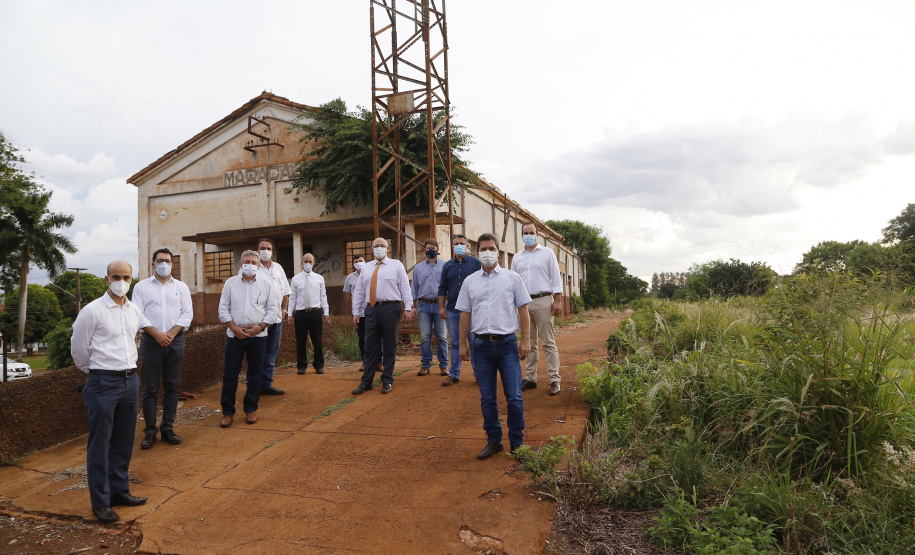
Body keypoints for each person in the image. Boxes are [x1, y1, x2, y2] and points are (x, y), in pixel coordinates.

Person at [71, 260, 147, 523]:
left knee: (124, 441)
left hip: (130, 380)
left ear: (132, 279)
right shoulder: (92, 311)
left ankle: (119, 491)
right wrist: (98, 375)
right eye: (116, 276)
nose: (122, 281)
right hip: (103, 382)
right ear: (106, 279)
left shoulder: (135, 310)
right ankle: (101, 502)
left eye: (127, 277)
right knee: (100, 444)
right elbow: (79, 352)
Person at [456, 234, 531, 459]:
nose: (487, 252)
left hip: (507, 345)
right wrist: (461, 344)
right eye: (483, 249)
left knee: (515, 397)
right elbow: (464, 314)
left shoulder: (513, 278)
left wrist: (526, 340)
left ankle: (517, 442)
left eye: (491, 248)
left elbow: (523, 311)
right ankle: (494, 441)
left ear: (498, 251)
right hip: (480, 346)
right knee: (487, 398)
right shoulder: (470, 281)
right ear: (477, 252)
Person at [131, 248, 193, 450]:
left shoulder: (181, 287)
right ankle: (150, 431)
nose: (164, 264)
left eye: (167, 261)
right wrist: (156, 334)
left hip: (176, 341)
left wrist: (171, 334)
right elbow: (137, 314)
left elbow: (187, 314)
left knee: (172, 386)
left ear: (173, 264)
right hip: (150, 341)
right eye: (160, 261)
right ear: (153, 264)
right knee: (149, 388)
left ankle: (168, 428)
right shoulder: (141, 287)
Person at [217, 250, 279, 427]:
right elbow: (223, 309)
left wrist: (260, 327)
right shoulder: (230, 284)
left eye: (253, 262)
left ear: (258, 266)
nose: (250, 265)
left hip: (258, 336)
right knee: (230, 374)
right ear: (240, 264)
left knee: (255, 374)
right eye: (247, 261)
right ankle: (228, 412)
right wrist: (233, 328)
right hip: (234, 335)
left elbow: (272, 309)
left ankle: (250, 409)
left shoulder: (267, 285)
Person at [350, 238, 413, 395]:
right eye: (376, 246)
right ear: (372, 250)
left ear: (387, 248)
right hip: (371, 309)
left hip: (391, 308)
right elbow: (359, 291)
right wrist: (356, 312)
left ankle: (387, 380)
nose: (379, 248)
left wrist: (408, 308)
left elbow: (405, 287)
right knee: (370, 346)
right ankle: (366, 382)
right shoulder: (366, 268)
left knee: (389, 345)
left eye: (382, 246)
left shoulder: (396, 265)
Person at [511, 222, 564, 396]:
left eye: (531, 232)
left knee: (548, 342)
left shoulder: (547, 253)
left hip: (543, 301)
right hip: (524, 304)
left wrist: (557, 300)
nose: (528, 235)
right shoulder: (517, 258)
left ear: (537, 235)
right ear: (521, 235)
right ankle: (530, 378)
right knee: (529, 342)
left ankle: (554, 379)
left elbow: (556, 277)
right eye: (525, 232)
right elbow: (513, 281)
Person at [438, 234, 481, 386]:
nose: (459, 246)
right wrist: (441, 307)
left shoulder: (476, 264)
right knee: (455, 343)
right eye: (456, 243)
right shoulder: (447, 266)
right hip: (453, 310)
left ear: (468, 246)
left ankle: (478, 374)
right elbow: (442, 287)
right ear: (452, 246)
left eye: (462, 243)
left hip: (472, 311)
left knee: (474, 342)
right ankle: (454, 373)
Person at [255, 238, 290, 396]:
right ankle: (254, 384)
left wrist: (284, 311)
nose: (265, 250)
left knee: (271, 353)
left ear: (272, 251)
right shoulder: (252, 268)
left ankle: (266, 384)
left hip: (276, 319)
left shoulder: (278, 268)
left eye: (268, 248)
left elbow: (285, 292)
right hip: (259, 321)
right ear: (257, 250)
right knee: (257, 352)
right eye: (262, 248)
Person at [411, 238, 448, 377]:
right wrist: (412, 307)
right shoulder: (418, 268)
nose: (430, 250)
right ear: (424, 250)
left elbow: (448, 286)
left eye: (433, 248)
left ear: (438, 249)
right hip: (423, 306)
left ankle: (444, 365)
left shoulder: (445, 266)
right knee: (425, 337)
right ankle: (425, 365)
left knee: (442, 337)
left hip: (441, 306)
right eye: (428, 248)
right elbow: (414, 287)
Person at [287, 253, 329, 374]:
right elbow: (293, 298)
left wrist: (325, 312)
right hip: (300, 314)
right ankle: (301, 365)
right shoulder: (295, 279)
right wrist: (290, 314)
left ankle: (319, 365)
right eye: (306, 261)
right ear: (302, 263)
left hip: (315, 313)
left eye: (310, 262)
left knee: (317, 340)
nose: (308, 264)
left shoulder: (319, 278)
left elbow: (323, 296)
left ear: (314, 263)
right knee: (300, 340)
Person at [343, 254, 368, 371]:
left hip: (372, 311)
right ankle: (365, 362)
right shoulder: (350, 278)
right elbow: (348, 295)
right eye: (356, 261)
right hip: (358, 313)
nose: (359, 263)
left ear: (365, 261)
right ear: (353, 264)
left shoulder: (370, 273)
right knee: (362, 338)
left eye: (361, 261)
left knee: (377, 337)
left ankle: (379, 361)